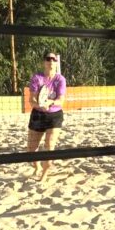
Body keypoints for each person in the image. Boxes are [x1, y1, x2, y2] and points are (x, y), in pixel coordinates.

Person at [27, 51, 66, 181]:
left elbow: (61, 100)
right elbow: (31, 100)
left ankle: (44, 175)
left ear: (56, 62)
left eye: (53, 59)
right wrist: (39, 105)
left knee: (49, 146)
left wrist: (51, 102)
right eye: (48, 59)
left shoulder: (60, 79)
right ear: (44, 62)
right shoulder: (37, 78)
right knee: (31, 149)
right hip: (38, 114)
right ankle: (37, 167)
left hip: (54, 115)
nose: (51, 61)